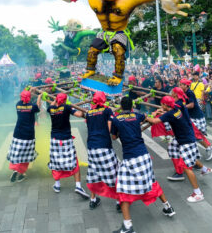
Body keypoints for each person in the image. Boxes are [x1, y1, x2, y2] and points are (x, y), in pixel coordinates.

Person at [111, 96, 175, 233]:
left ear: (121, 107)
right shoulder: (137, 115)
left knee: (122, 189)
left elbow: (114, 137)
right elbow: (147, 117)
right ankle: (168, 207)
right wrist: (155, 114)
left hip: (130, 159)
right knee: (151, 182)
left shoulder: (116, 119)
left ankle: (128, 226)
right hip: (144, 156)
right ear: (132, 107)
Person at [146, 96, 205, 203]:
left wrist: (146, 117)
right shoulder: (177, 108)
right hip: (186, 138)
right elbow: (168, 112)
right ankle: (204, 169)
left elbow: (155, 121)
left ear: (165, 105)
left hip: (186, 141)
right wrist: (160, 110)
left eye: (162, 104)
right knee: (178, 152)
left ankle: (198, 193)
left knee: (187, 167)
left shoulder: (169, 114)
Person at [47, 93, 89, 198]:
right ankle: (78, 186)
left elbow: (52, 104)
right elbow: (79, 114)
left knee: (55, 161)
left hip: (55, 140)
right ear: (65, 100)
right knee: (74, 161)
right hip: (66, 139)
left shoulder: (51, 108)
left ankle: (57, 185)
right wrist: (84, 114)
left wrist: (56, 101)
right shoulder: (67, 107)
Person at [84, 91, 120, 210]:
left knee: (94, 172)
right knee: (114, 172)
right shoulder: (107, 110)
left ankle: (93, 199)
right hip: (104, 145)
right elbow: (110, 127)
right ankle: (119, 201)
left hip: (91, 147)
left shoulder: (89, 112)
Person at [8, 90, 41, 183]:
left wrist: (29, 91)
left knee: (17, 152)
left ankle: (15, 170)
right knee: (25, 154)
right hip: (28, 134)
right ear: (29, 98)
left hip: (18, 133)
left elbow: (23, 98)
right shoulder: (32, 107)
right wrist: (39, 97)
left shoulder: (18, 104)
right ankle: (21, 173)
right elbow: (38, 107)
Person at [179, 79, 212, 160]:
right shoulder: (183, 93)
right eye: (180, 84)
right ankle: (198, 151)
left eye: (182, 84)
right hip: (191, 116)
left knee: (196, 135)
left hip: (197, 117)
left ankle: (209, 148)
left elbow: (191, 105)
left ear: (186, 86)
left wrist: (181, 107)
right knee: (192, 135)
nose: (180, 86)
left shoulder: (189, 93)